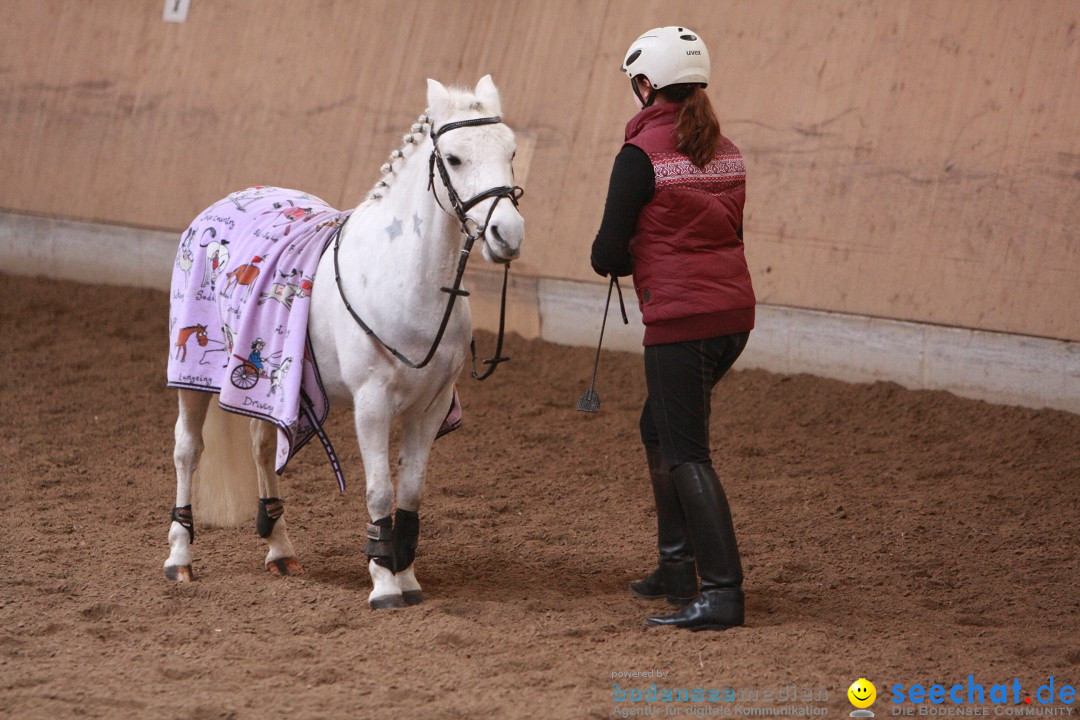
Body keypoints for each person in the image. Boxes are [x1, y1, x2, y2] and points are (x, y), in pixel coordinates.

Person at [590, 26, 755, 631]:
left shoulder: (639, 157)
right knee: (657, 428)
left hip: (680, 323)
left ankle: (722, 592)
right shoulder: (728, 149)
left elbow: (607, 251)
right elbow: (721, 236)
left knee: (687, 452)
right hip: (733, 316)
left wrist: (629, 253)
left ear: (644, 86)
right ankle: (675, 568)